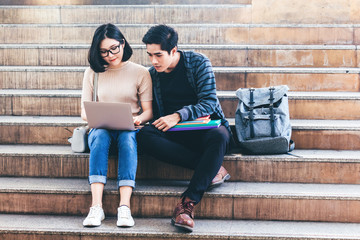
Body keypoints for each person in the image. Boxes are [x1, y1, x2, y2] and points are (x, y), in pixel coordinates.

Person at [137, 24, 232, 232]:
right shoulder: (152, 74)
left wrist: (178, 115)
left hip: (204, 130)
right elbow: (149, 109)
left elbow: (209, 102)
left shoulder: (198, 63)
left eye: (158, 55)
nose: (153, 61)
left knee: (221, 135)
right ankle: (212, 168)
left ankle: (187, 205)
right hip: (173, 134)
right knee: (144, 135)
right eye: (149, 55)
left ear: (174, 50)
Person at [80, 23, 152, 228]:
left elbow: (148, 111)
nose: (110, 55)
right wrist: (97, 117)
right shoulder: (92, 73)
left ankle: (124, 207)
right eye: (103, 51)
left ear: (123, 43)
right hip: (101, 127)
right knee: (100, 136)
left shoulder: (140, 72)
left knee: (128, 140)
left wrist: (137, 120)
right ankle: (96, 207)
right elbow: (84, 112)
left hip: (130, 127)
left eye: (114, 48)